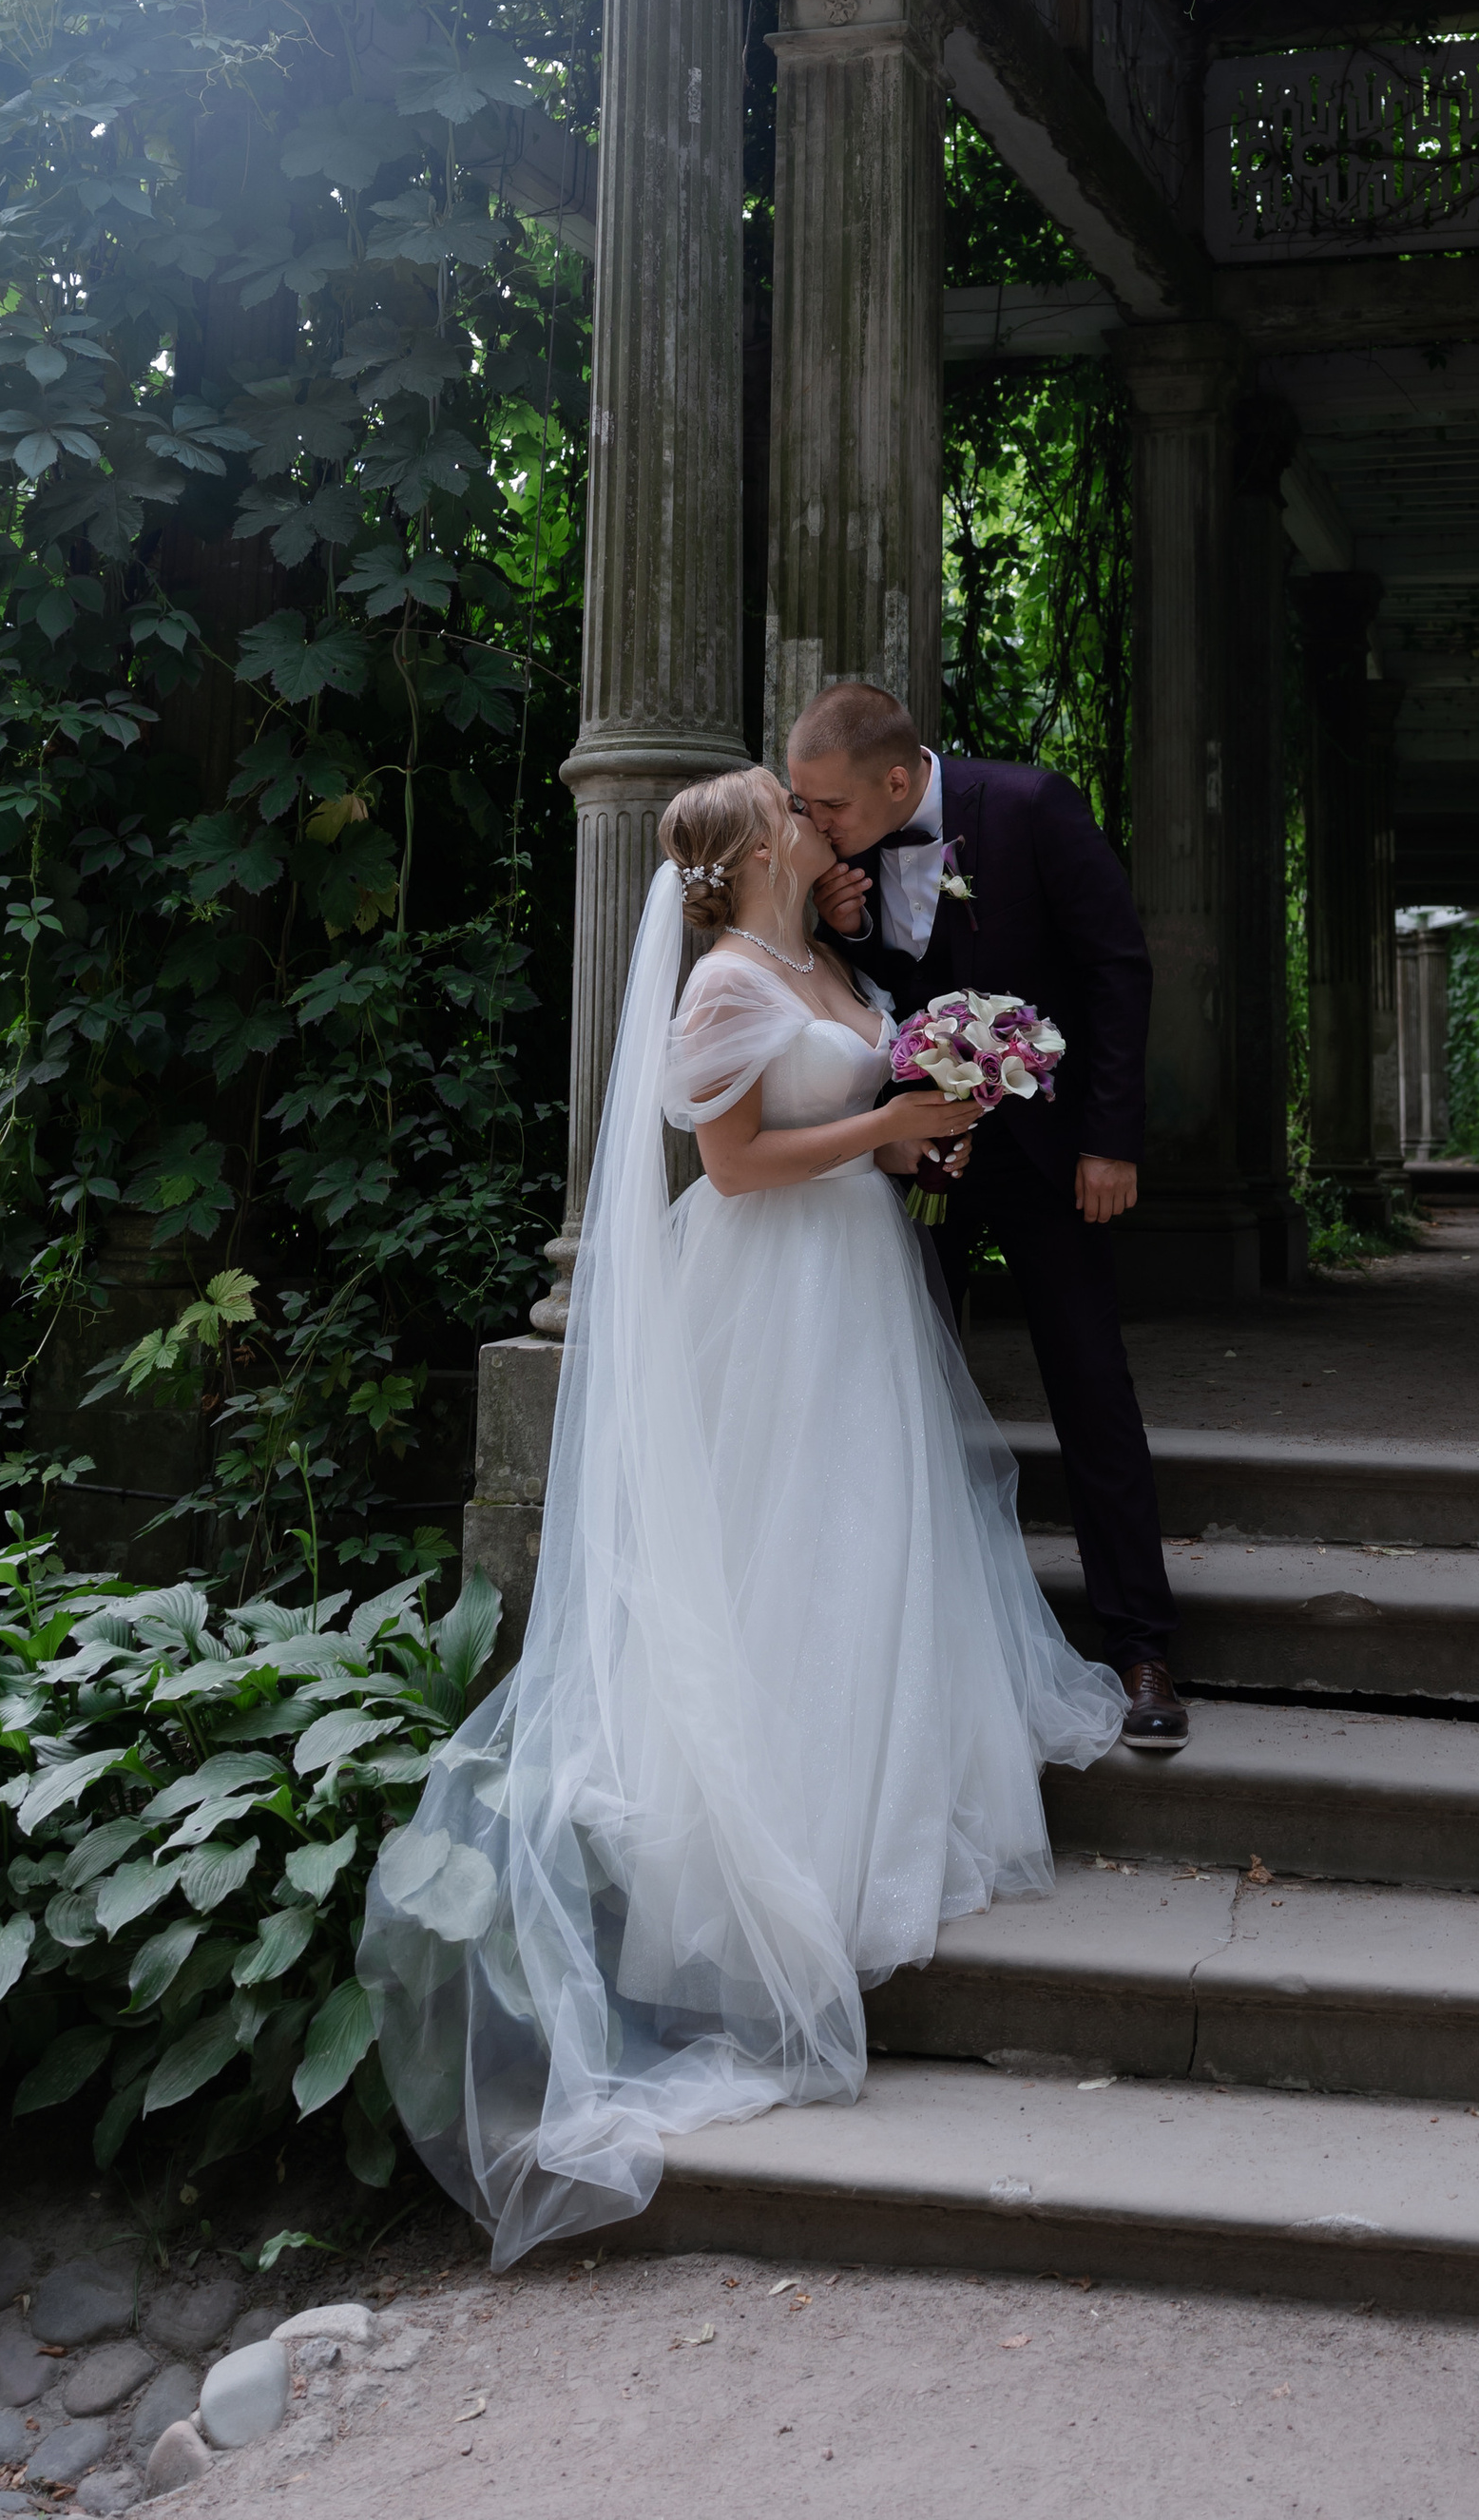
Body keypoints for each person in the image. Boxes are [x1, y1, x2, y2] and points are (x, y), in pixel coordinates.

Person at [357, 766, 1124, 2269]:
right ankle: (776, 1887)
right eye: (793, 811)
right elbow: (732, 1162)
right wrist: (884, 1121)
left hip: (851, 1291)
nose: (814, 822)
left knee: (866, 1557)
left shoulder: (820, 964)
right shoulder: (719, 981)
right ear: (751, 851)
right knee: (786, 1558)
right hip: (768, 1296)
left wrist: (926, 1133)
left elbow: (849, 1119)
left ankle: (874, 1838)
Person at [784, 678, 1188, 1754]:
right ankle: (904, 1654)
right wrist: (845, 935)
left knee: (1088, 1382)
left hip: (1056, 1157)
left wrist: (1110, 1139)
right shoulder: (836, 858)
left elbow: (1115, 968)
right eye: (804, 805)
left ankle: (1141, 1644)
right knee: (894, 1389)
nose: (811, 825)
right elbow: (863, 1002)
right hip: (914, 1158)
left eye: (828, 806)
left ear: (901, 778)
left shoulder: (1031, 807)